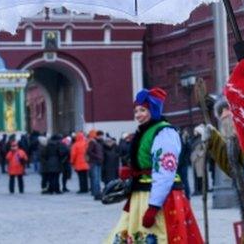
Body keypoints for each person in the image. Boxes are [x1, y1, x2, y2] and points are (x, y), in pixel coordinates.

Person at [104, 88, 203, 244]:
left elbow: (165, 172)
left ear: (154, 110)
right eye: (136, 110)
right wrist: (132, 171)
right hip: (141, 194)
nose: (138, 115)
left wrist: (154, 206)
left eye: (143, 110)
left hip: (160, 197)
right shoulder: (145, 131)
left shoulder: (164, 133)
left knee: (159, 236)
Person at [87, 129, 104, 200]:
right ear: (97, 136)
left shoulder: (100, 142)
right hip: (94, 162)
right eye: (100, 136)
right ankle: (96, 193)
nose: (102, 137)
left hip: (99, 162)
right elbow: (89, 152)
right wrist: (97, 157)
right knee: (95, 178)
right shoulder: (93, 142)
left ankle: (98, 192)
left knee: (98, 178)